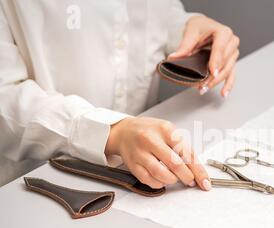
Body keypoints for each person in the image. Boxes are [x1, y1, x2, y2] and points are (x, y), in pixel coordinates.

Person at [0, 0, 240, 190]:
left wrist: (190, 29)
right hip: (30, 181)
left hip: (144, 170)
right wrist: (112, 132)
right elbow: (5, 95)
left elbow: (155, 14)